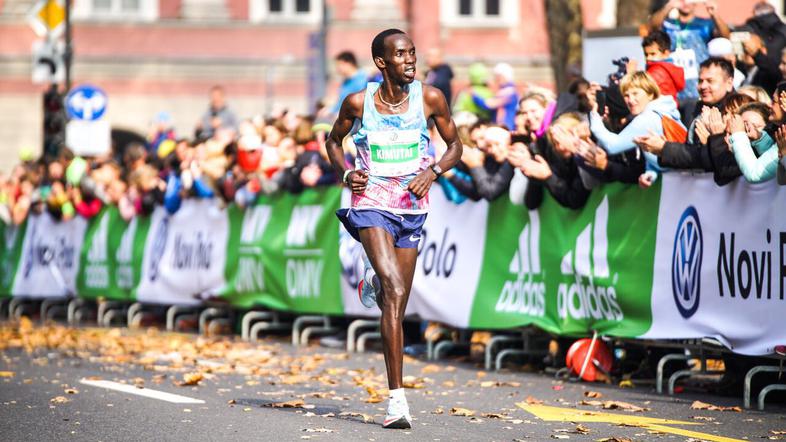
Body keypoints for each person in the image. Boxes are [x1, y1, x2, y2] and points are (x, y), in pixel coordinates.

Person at [325, 29, 462, 430]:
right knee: (396, 289)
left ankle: (377, 280)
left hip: (412, 208)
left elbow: (456, 146)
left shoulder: (431, 98)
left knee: (394, 304)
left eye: (413, 53)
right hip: (371, 204)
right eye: (401, 54)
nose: (410, 60)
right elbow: (332, 141)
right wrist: (347, 172)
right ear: (382, 62)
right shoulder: (357, 102)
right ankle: (396, 401)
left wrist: (433, 171)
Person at [588, 71, 684, 186]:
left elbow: (612, 145)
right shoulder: (663, 109)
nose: (630, 100)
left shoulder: (647, 118)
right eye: (626, 95)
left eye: (635, 93)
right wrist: (651, 173)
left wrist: (595, 118)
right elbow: (661, 155)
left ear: (650, 94)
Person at [650, 0, 731, 102]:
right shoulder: (668, 23)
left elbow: (726, 37)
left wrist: (715, 15)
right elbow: (652, 27)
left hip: (696, 86)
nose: (685, 3)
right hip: (673, 87)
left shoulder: (705, 24)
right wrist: (668, 7)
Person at [641, 30, 686, 104]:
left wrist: (631, 74)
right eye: (646, 54)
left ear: (666, 54)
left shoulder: (657, 72)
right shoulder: (669, 69)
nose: (648, 58)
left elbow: (641, 90)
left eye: (653, 54)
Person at [472, 63, 519, 130]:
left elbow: (489, 104)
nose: (496, 79)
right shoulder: (505, 91)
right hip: (500, 126)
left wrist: (475, 96)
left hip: (506, 127)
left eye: (497, 76)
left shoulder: (509, 92)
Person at [328, 51, 368, 116]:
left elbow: (361, 103)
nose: (337, 68)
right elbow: (340, 103)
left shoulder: (364, 79)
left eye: (339, 64)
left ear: (348, 63)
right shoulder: (346, 81)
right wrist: (330, 110)